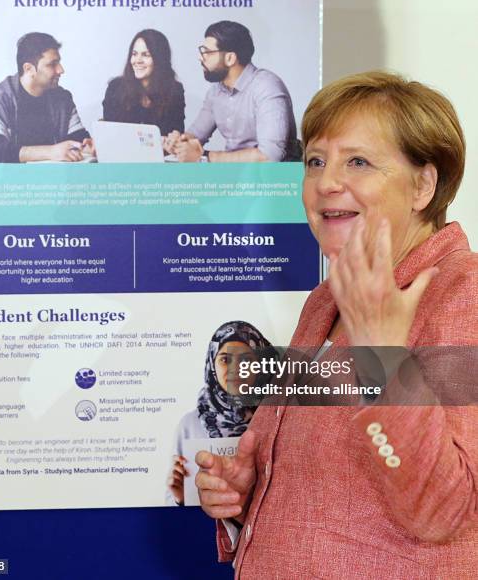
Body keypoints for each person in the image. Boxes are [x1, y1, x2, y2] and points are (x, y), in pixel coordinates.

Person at [195, 72, 478, 578]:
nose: (326, 182)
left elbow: (443, 513)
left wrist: (382, 357)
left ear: (423, 184)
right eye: (316, 161)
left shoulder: (464, 296)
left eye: (359, 162)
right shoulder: (324, 301)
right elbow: (328, 478)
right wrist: (247, 491)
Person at [166, 321, 274, 506]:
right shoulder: (190, 424)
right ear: (212, 364)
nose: (235, 369)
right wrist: (180, 497)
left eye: (246, 360)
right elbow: (173, 504)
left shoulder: (278, 416)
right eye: (225, 359)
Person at [164, 20, 301, 163]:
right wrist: (180, 142)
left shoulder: (267, 87)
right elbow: (196, 134)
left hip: (274, 180)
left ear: (230, 58)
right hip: (236, 177)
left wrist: (205, 156)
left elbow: (269, 157)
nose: (201, 57)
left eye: (207, 52)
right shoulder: (215, 92)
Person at [0, 32, 93, 163]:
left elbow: (78, 139)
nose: (61, 70)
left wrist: (87, 146)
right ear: (29, 69)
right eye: (52, 64)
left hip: (54, 180)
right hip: (11, 181)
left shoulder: (63, 99)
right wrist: (51, 152)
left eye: (59, 62)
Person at [102, 29, 185, 137]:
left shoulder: (174, 90)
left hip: (159, 153)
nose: (138, 60)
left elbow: (176, 130)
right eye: (134, 54)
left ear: (159, 59)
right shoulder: (115, 88)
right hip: (122, 152)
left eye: (146, 55)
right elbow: (110, 133)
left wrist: (174, 137)